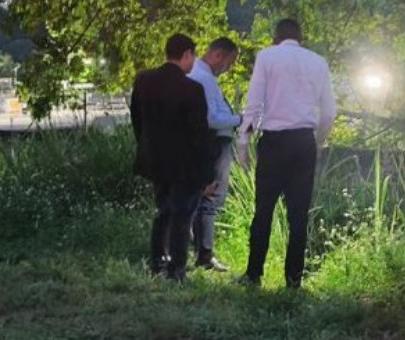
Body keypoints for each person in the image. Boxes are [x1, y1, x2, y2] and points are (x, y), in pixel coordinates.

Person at [236, 19, 336, 288]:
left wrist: (243, 144)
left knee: (263, 210)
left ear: (275, 38)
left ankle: (253, 273)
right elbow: (328, 114)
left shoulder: (267, 57)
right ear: (301, 38)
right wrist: (317, 143)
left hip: (275, 142)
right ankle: (294, 279)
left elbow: (254, 103)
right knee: (299, 214)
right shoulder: (318, 62)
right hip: (304, 141)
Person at [130, 33, 216, 282]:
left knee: (163, 211)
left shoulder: (143, 81)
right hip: (184, 164)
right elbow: (199, 134)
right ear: (187, 54)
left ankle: (157, 261)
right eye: (193, 56)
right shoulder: (192, 89)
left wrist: (145, 146)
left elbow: (137, 120)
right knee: (182, 215)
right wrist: (207, 172)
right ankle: (177, 269)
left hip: (155, 159)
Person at [187, 37, 241, 272]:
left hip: (209, 143)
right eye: (228, 63)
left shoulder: (199, 75)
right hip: (215, 143)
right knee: (209, 199)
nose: (227, 69)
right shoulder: (205, 79)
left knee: (201, 199)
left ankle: (199, 252)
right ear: (218, 55)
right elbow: (212, 119)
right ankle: (204, 254)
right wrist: (240, 119)